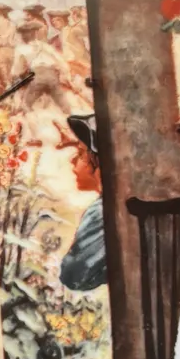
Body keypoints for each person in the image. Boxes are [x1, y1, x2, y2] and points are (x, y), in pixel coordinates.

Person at [10, 19, 91, 146]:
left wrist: (16, 78)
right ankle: (72, 135)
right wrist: (67, 76)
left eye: (24, 34)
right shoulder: (44, 46)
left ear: (25, 35)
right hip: (52, 76)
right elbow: (61, 61)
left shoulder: (21, 49)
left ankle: (35, 138)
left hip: (37, 76)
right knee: (64, 106)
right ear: (35, 34)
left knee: (26, 105)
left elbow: (17, 70)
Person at [60, 114, 107, 292]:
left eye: (80, 153)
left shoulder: (102, 212)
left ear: (97, 160)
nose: (73, 160)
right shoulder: (107, 207)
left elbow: (72, 275)